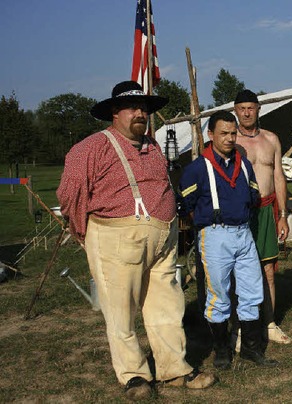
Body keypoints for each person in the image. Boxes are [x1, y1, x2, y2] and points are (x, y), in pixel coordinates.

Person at [57, 81, 216, 401]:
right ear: (115, 113)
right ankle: (134, 375)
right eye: (133, 108)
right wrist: (86, 236)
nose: (141, 113)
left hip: (162, 241)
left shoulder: (153, 146)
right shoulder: (90, 148)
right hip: (116, 239)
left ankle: (174, 369)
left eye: (144, 108)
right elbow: (70, 196)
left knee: (167, 307)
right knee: (121, 311)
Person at [178, 110, 278, 369]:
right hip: (215, 235)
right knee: (218, 294)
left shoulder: (243, 165)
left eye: (233, 133)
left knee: (251, 291)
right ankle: (221, 350)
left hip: (243, 233)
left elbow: (255, 197)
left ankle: (250, 348)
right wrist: (207, 227)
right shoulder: (197, 169)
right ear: (210, 135)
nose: (230, 138)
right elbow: (186, 207)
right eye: (224, 133)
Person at [233, 89, 292, 344]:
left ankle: (269, 323)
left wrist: (283, 215)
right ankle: (236, 328)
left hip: (268, 209)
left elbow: (279, 176)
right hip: (241, 213)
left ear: (258, 109)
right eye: (242, 108)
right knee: (238, 270)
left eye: (251, 107)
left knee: (268, 269)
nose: (247, 112)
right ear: (236, 111)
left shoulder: (271, 139)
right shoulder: (229, 140)